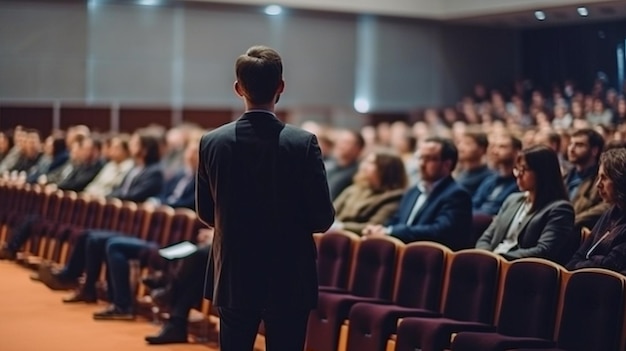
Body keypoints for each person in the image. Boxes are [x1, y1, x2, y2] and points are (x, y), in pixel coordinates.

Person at [196, 45, 335, 351]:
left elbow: (207, 211)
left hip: (234, 266)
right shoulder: (302, 143)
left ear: (237, 89)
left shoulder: (212, 142)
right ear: (281, 86)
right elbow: (321, 218)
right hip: (289, 267)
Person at [363, 137, 473, 250]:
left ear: (447, 164)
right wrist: (379, 229)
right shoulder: (413, 191)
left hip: (431, 260)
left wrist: (391, 231)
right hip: (403, 254)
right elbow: (396, 219)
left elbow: (439, 231)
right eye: (420, 157)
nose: (421, 164)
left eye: (429, 159)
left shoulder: (457, 195)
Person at [475, 146, 575, 263]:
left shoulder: (560, 209)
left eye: (524, 169)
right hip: (493, 263)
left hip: (521, 270)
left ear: (542, 173)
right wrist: (485, 256)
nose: (518, 174)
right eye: (517, 169)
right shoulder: (512, 200)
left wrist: (500, 259)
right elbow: (486, 237)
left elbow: (544, 250)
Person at [566, 148, 626, 272]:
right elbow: (578, 256)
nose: (598, 184)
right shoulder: (612, 212)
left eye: (604, 178)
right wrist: (594, 260)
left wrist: (590, 261)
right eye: (598, 178)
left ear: (620, 180)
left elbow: (610, 265)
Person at [330, 149, 407, 235]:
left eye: (371, 163)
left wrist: (339, 227)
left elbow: (373, 226)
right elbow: (331, 211)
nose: (364, 166)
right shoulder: (355, 188)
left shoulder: (394, 197)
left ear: (386, 169)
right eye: (365, 161)